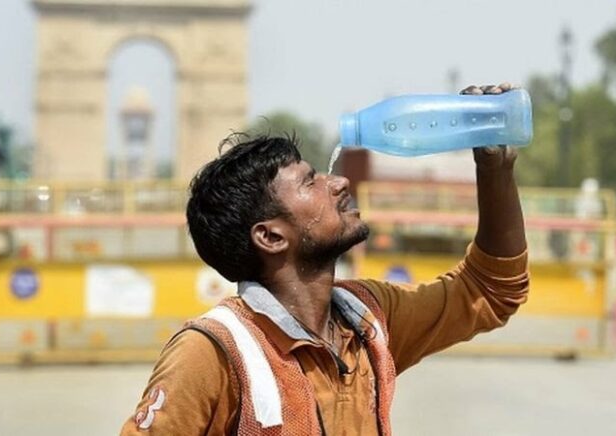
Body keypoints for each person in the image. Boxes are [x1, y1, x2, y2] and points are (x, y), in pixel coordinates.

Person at [121, 83, 529, 435]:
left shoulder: (369, 319)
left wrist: (495, 169)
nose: (339, 182)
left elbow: (491, 289)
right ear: (270, 236)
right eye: (309, 181)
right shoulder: (213, 353)